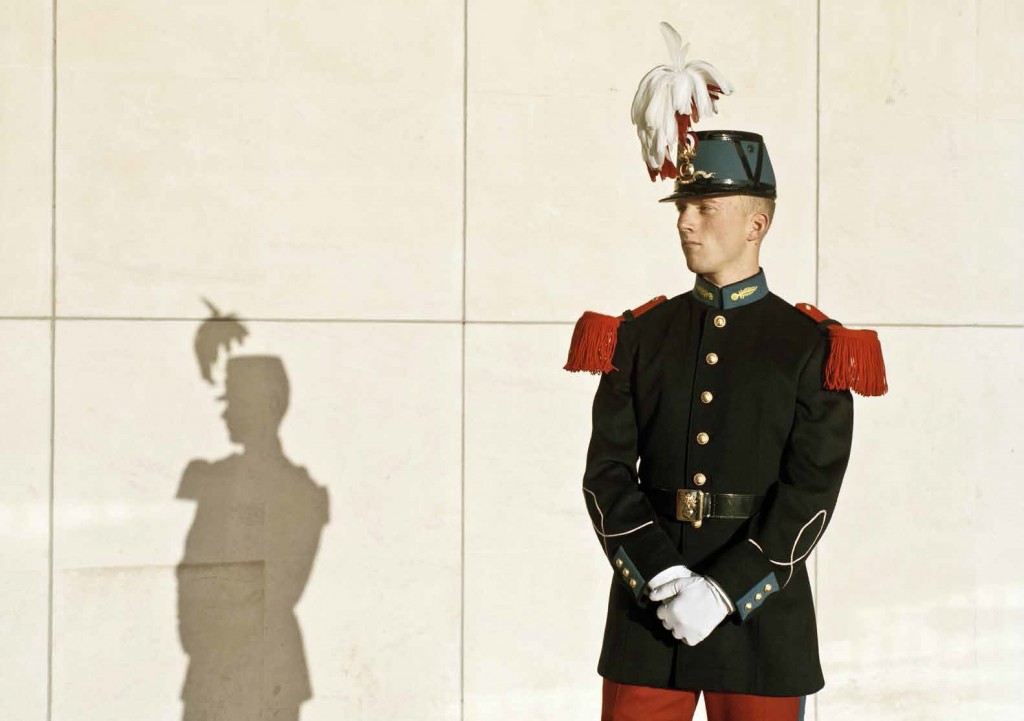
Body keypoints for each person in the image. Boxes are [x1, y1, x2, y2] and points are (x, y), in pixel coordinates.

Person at [564, 24, 886, 721]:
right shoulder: (637, 336)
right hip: (649, 617)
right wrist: (661, 572)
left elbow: (811, 491)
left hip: (760, 623)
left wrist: (723, 590)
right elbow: (607, 475)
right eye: (682, 206)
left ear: (756, 223)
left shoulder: (810, 346)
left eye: (705, 207)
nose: (685, 222)